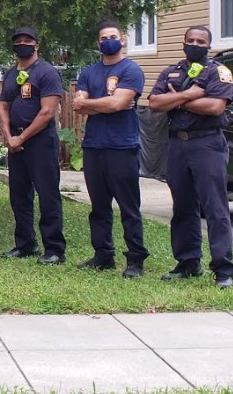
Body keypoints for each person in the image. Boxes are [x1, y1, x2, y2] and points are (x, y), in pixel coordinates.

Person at [149, 25, 233, 289]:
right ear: (183, 43)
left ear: (208, 45)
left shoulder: (218, 71)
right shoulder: (171, 71)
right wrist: (188, 95)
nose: (195, 44)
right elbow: (153, 103)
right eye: (191, 40)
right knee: (183, 206)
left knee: (215, 208)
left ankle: (223, 270)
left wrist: (175, 98)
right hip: (177, 144)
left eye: (201, 41)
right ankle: (188, 262)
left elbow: (214, 106)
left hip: (207, 144)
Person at [71, 21, 149, 278]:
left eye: (113, 37)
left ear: (123, 39)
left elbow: (118, 103)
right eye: (103, 38)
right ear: (98, 43)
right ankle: (103, 255)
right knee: (99, 206)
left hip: (122, 146)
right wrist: (105, 104)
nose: (108, 41)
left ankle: (135, 260)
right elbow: (77, 105)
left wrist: (95, 104)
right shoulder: (88, 72)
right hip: (94, 146)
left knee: (128, 207)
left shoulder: (131, 70)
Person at [0, 27, 67, 265]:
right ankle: (25, 244)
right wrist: (8, 135)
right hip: (15, 142)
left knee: (48, 194)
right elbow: (3, 106)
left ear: (36, 45)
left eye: (27, 41)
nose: (22, 44)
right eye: (18, 41)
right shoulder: (9, 75)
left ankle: (54, 248)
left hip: (40, 142)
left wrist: (22, 137)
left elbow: (47, 112)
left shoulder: (46, 72)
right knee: (19, 196)